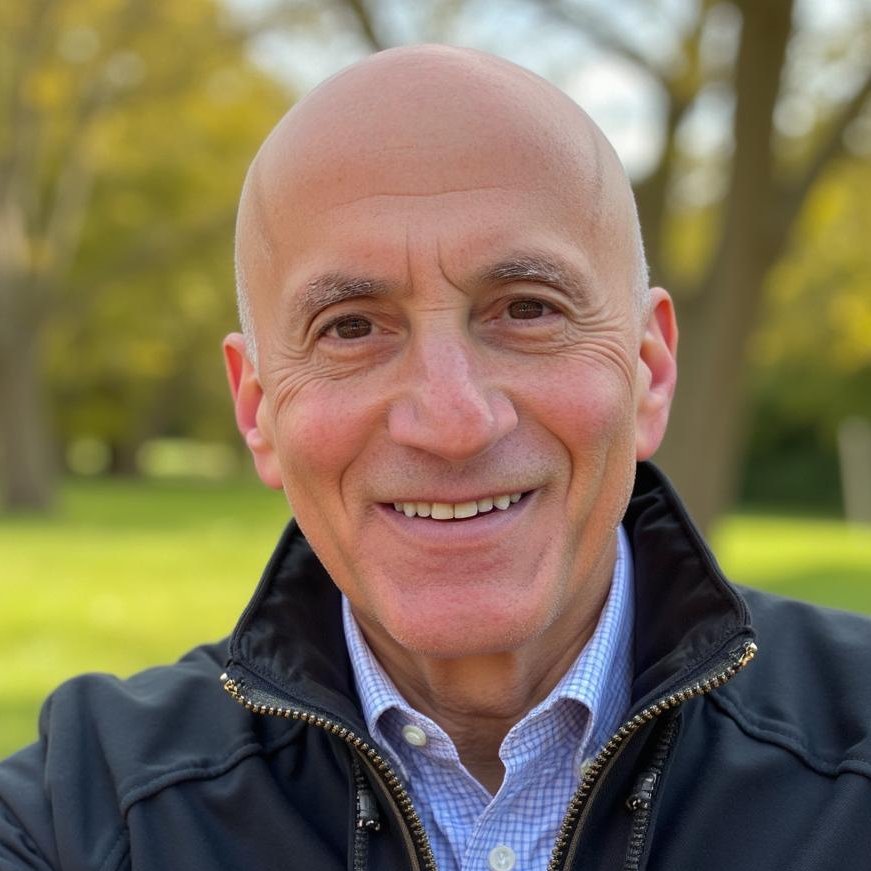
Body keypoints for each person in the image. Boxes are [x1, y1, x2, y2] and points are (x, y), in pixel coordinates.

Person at [1, 45, 870, 871]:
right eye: (349, 328)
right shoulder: (90, 814)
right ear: (257, 408)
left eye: (526, 309)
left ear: (647, 371)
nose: (451, 420)